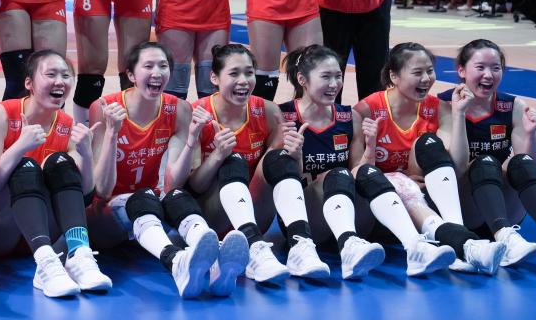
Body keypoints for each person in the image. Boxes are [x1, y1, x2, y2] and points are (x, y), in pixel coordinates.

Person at [86, 42, 247, 298]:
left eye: (163, 66)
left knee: (176, 196)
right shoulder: (105, 107)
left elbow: (173, 184)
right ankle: (175, 261)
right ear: (130, 75)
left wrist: (191, 140)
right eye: (148, 66)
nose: (157, 73)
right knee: (143, 197)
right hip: (106, 218)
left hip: (153, 214)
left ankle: (216, 262)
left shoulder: (178, 108)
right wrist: (112, 134)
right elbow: (103, 190)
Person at [280, 45, 454, 278]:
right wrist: (294, 155)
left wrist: (370, 147)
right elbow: (280, 178)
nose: (334, 84)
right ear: (302, 79)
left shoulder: (348, 117)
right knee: (337, 174)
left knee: (363, 174)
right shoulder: (283, 117)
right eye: (326, 77)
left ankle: (415, 246)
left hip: (350, 214)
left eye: (338, 76)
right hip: (307, 218)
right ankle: (342, 246)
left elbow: (359, 172)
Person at [0, 50, 112, 297]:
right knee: (25, 166)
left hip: (40, 233)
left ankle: (77, 255)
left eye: (65, 75)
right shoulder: (1, 114)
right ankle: (46, 261)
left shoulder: (68, 126)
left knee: (60, 162)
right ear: (29, 83)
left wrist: (87, 155)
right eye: (51, 74)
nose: (60, 82)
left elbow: (85, 195)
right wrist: (19, 147)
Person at [353, 43, 508, 274]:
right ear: (394, 76)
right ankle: (462, 243)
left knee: (428, 143)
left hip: (427, 201)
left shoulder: (438, 108)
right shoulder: (367, 110)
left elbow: (458, 166)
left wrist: (458, 113)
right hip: (383, 208)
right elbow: (357, 172)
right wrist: (380, 157)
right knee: (399, 177)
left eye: (430, 71)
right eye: (417, 72)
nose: (426, 79)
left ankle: (457, 234)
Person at [177, 44, 321, 283]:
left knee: (278, 157)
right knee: (233, 160)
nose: (243, 81)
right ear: (214, 78)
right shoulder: (197, 114)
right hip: (212, 215)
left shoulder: (268, 111)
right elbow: (194, 187)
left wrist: (296, 155)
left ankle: (300, 246)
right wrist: (218, 156)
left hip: (255, 212)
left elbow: (286, 174)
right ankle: (254, 250)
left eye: (249, 73)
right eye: (234, 73)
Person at [439, 39, 536, 268]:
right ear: (461, 70)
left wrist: (531, 135)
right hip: (464, 207)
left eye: (496, 68)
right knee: (484, 163)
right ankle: (505, 237)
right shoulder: (443, 104)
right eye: (480, 67)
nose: (489, 75)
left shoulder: (512, 106)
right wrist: (459, 114)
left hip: (504, 205)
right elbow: (456, 166)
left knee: (521, 162)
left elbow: (533, 168)